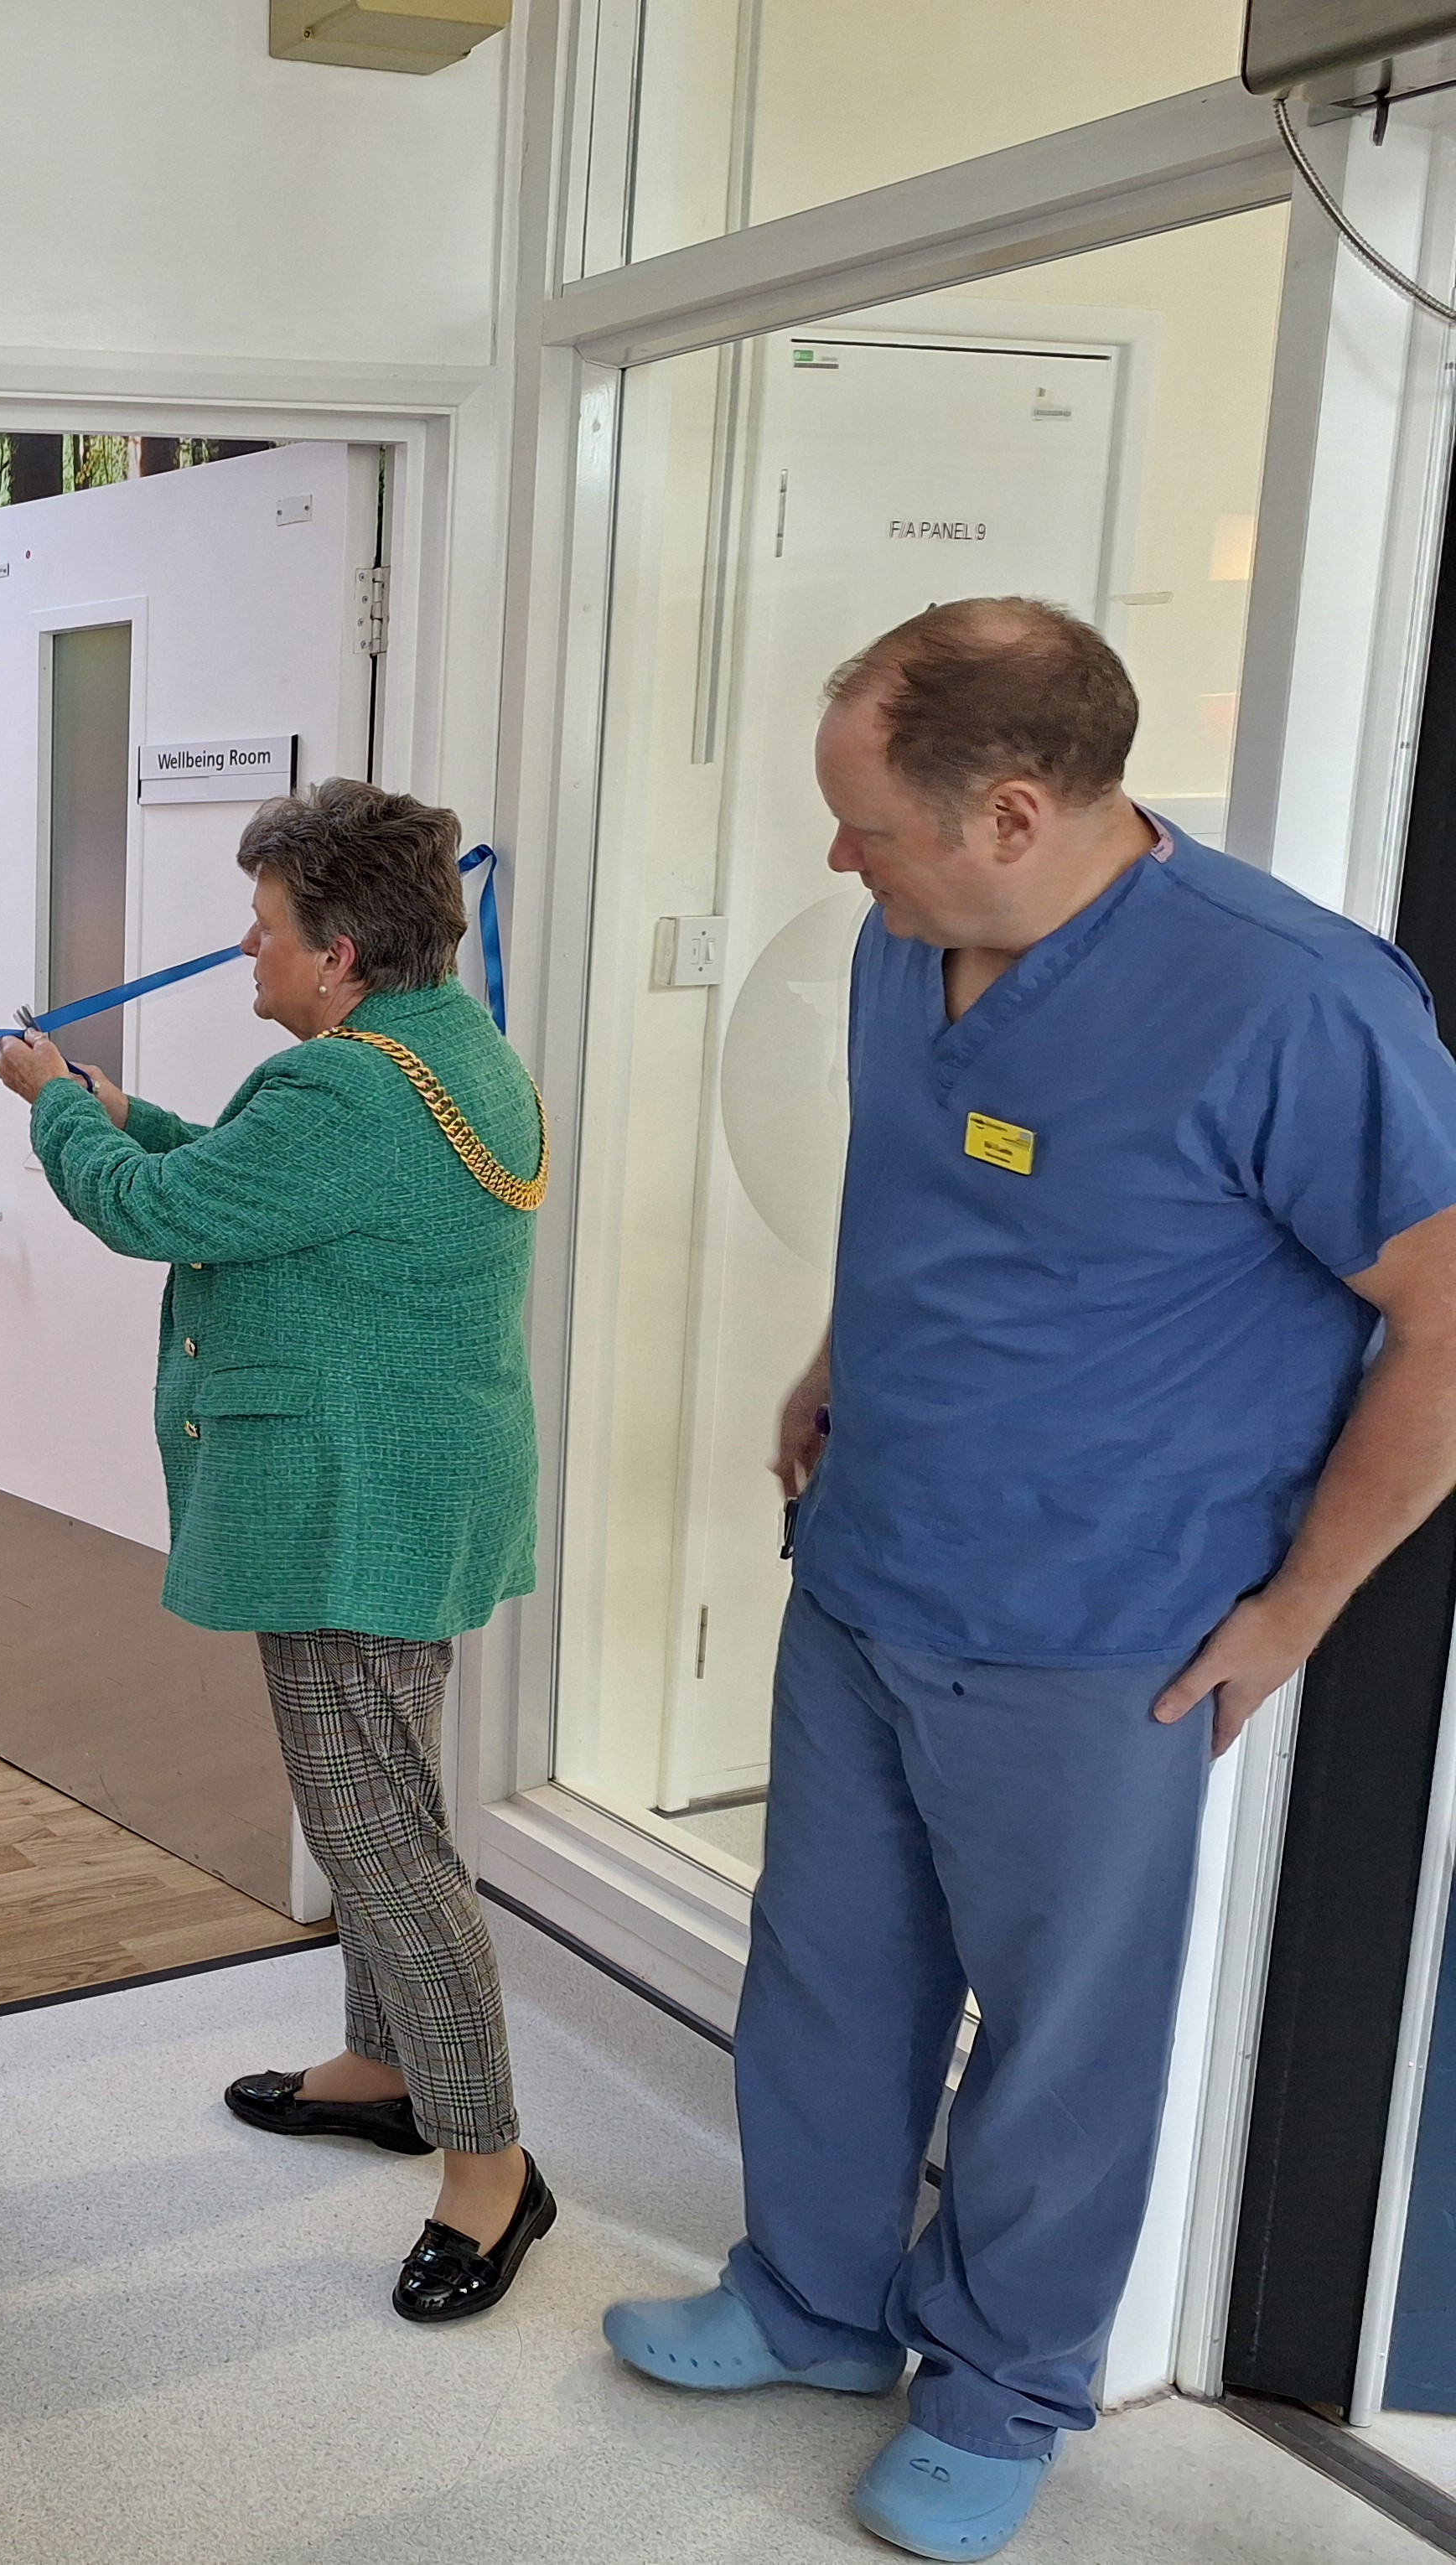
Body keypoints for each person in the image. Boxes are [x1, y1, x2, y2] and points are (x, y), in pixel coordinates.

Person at [603, 600, 1456, 2562]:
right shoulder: (917, 947)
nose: (839, 860)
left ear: (1010, 810)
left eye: (865, 825)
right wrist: (843, 1359)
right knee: (828, 1973)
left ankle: (999, 2389)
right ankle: (815, 2307)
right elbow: (947, 1190)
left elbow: (1442, 1318)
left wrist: (1301, 1607)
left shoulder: (1292, 1003)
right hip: (872, 1566)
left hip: (1105, 1629)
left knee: (1059, 2030)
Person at [0, 778, 552, 2324]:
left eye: (266, 929)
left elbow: (152, 1213)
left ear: (342, 951)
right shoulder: (446, 1050)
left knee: (377, 1833)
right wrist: (116, 1111)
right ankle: (384, 2067)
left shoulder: (344, 1093)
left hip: (349, 1509)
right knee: (378, 1794)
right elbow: (244, 1195)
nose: (246, 953)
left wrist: (50, 1103)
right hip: (416, 1487)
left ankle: (492, 2172)